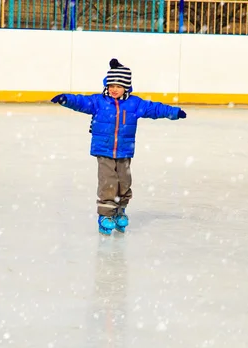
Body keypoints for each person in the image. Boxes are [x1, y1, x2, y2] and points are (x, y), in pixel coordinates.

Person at [51, 58, 187, 235]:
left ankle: (121, 209)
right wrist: (65, 99)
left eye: (119, 86)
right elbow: (81, 102)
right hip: (104, 150)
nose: (114, 89)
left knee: (124, 182)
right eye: (111, 85)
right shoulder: (98, 102)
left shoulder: (135, 104)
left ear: (127, 87)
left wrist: (173, 112)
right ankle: (106, 215)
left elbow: (155, 109)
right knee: (108, 182)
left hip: (124, 151)